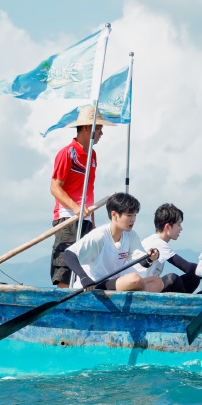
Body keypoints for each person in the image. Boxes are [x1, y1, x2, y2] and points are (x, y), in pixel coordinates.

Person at [49, 106, 113, 288]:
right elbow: (54, 187)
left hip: (85, 218)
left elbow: (88, 192)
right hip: (68, 217)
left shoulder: (92, 155)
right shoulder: (68, 152)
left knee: (87, 264)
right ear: (86, 128)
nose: (101, 133)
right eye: (99, 128)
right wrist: (75, 207)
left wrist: (91, 221)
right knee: (65, 268)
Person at [61, 192, 164, 292]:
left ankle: (136, 306)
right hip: (93, 286)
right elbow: (68, 254)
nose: (133, 219)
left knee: (157, 281)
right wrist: (84, 278)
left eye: (134, 215)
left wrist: (151, 257)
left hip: (112, 284)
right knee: (135, 279)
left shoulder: (131, 235)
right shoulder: (99, 235)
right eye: (129, 215)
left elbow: (143, 262)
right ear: (114, 215)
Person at [137, 203, 202, 293]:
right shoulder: (157, 242)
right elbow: (188, 268)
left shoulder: (158, 241)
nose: (181, 229)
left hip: (152, 286)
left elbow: (192, 272)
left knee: (194, 278)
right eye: (179, 224)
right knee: (173, 279)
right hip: (142, 290)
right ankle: (184, 306)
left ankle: (184, 303)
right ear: (167, 226)